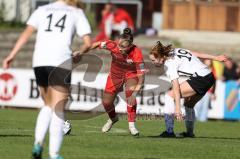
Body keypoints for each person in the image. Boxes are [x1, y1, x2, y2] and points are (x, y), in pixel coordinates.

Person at [2, 0, 91, 158]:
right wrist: (80, 52)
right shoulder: (76, 12)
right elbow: (88, 42)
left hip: (39, 61)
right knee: (57, 108)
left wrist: (11, 55)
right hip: (60, 60)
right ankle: (54, 154)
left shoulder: (42, 9)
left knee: (48, 105)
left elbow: (26, 33)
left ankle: (38, 144)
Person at [75, 28, 146, 136]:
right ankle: (113, 118)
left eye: (123, 47)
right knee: (106, 102)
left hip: (131, 74)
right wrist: (81, 52)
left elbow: (141, 77)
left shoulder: (137, 52)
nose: (120, 49)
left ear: (131, 45)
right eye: (119, 46)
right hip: (115, 75)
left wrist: (135, 93)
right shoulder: (112, 45)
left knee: (130, 94)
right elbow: (96, 44)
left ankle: (132, 125)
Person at [149, 41, 228, 138]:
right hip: (209, 76)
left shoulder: (170, 64)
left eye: (153, 60)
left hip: (200, 78)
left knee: (169, 96)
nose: (153, 63)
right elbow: (198, 54)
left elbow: (176, 86)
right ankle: (189, 133)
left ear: (160, 57)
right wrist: (216, 58)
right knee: (189, 105)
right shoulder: (177, 50)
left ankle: (169, 132)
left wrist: (177, 108)